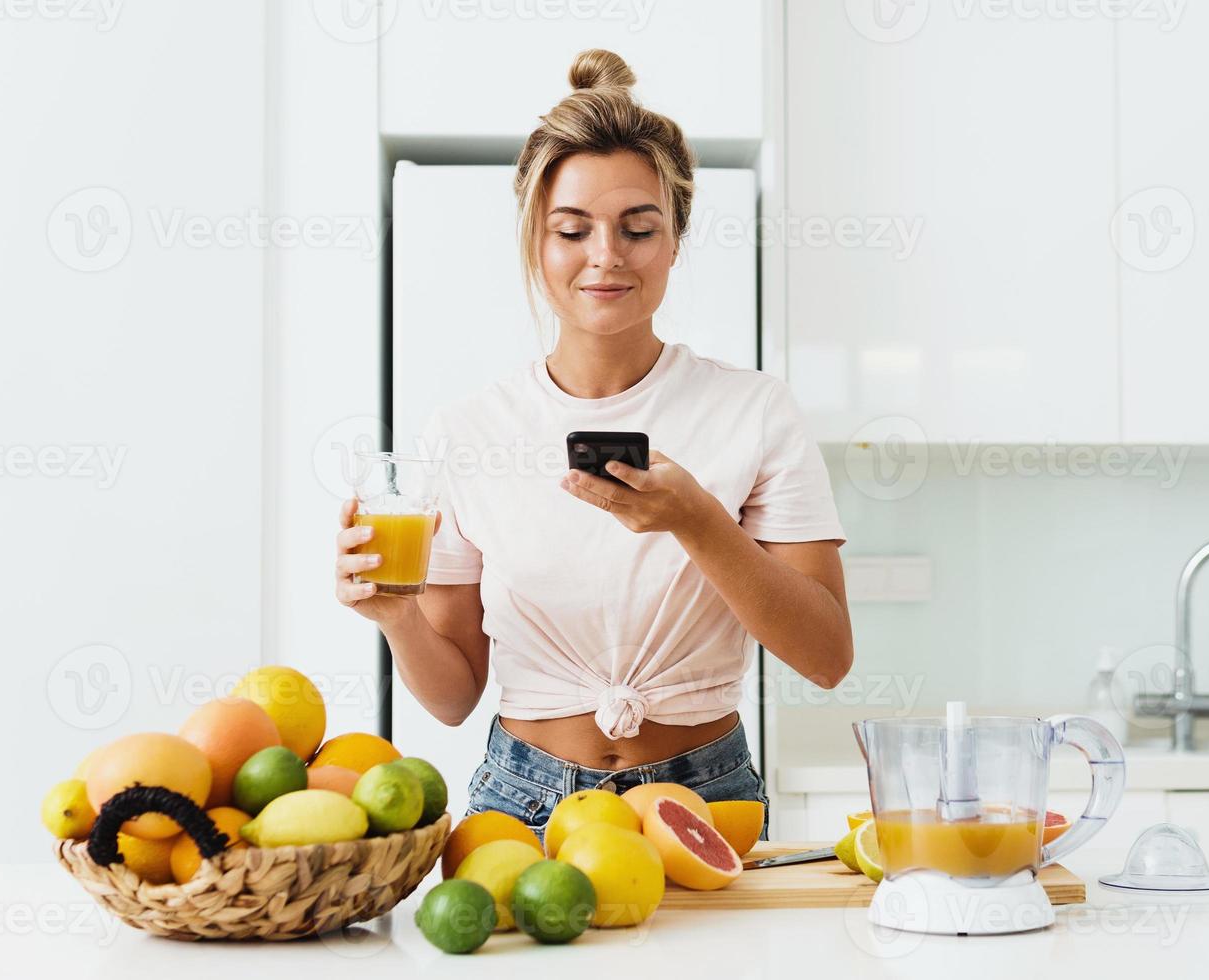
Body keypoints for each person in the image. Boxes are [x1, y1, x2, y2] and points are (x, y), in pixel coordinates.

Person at [335, 49, 851, 842]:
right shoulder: (466, 432)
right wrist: (396, 618)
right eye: (572, 230)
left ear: (675, 238)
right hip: (521, 800)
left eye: (637, 229)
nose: (606, 256)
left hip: (707, 796)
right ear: (536, 244)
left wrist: (699, 522)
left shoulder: (754, 411)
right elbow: (453, 695)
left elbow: (826, 656)